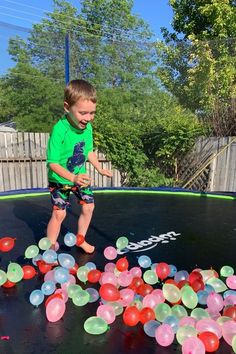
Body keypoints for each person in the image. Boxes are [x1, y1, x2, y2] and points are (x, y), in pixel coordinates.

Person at [46, 79, 112, 253]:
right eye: (83, 113)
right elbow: (52, 163)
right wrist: (72, 177)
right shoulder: (60, 129)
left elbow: (89, 151)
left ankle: (80, 239)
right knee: (60, 214)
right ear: (67, 107)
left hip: (79, 178)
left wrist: (99, 167)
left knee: (89, 206)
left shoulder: (87, 128)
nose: (88, 118)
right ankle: (50, 248)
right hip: (60, 179)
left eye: (92, 113)